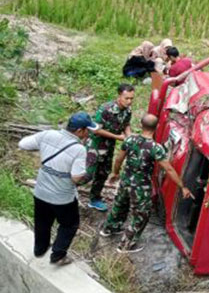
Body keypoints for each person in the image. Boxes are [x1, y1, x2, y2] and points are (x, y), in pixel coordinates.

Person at [100, 114, 193, 253]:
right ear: (157, 127)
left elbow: (119, 158)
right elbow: (168, 168)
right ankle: (126, 245)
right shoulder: (156, 148)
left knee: (120, 204)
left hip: (125, 181)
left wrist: (115, 172)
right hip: (140, 187)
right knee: (141, 214)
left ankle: (109, 229)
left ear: (141, 124)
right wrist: (183, 187)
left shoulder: (130, 139)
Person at [18, 112, 98, 265]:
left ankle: (40, 249)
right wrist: (86, 174)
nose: (89, 133)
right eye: (88, 130)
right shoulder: (79, 149)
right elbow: (76, 177)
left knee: (42, 222)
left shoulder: (48, 134)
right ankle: (58, 255)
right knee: (69, 224)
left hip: (40, 192)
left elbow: (23, 144)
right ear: (80, 131)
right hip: (63, 198)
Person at [86, 84, 134, 211]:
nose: (129, 101)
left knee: (103, 172)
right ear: (119, 96)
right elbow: (96, 130)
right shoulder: (105, 109)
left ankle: (94, 199)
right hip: (96, 145)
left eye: (131, 98)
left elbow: (126, 124)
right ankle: (67, 191)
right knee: (87, 173)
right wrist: (117, 137)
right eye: (126, 98)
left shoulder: (127, 110)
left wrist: (128, 135)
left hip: (109, 145)